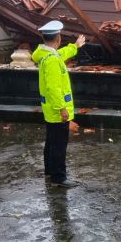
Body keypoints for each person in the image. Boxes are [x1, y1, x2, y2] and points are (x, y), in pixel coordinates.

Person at [31, 20, 86, 188]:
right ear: (58, 38)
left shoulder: (47, 55)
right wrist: (62, 109)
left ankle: (50, 171)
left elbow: (60, 54)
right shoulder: (52, 61)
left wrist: (75, 46)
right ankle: (59, 177)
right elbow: (54, 88)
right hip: (57, 110)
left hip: (50, 108)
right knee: (59, 145)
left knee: (51, 141)